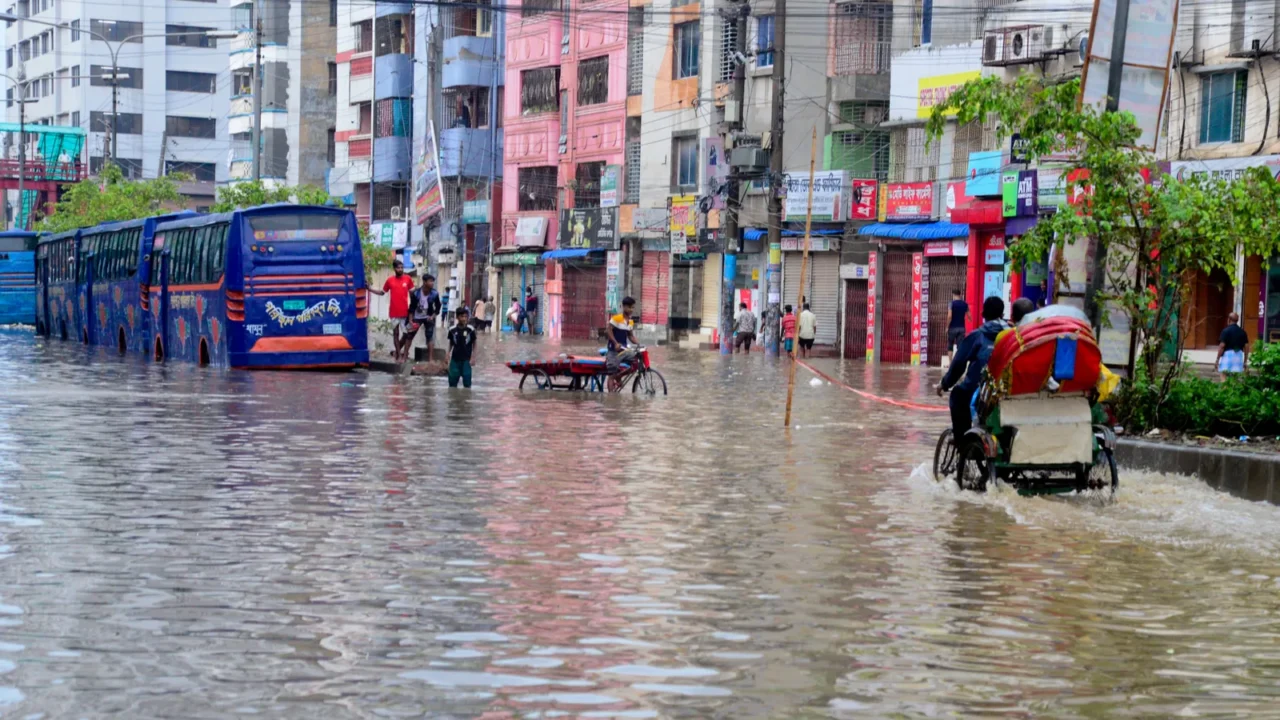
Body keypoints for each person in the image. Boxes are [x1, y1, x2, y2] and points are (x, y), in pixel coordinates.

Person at [937, 296, 1008, 441]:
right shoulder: (1013, 335)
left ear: (983, 315)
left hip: (981, 390)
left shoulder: (977, 336)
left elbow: (958, 364)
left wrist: (944, 384)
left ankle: (962, 441)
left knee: (957, 395)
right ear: (1002, 314)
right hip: (1008, 389)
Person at [368, 260, 414, 362]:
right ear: (394, 269)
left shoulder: (408, 279)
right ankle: (398, 355)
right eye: (398, 268)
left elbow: (412, 294)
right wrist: (370, 289)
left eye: (402, 267)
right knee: (396, 333)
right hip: (393, 312)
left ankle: (401, 353)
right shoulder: (390, 281)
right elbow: (382, 292)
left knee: (407, 334)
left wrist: (413, 309)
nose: (400, 269)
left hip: (405, 312)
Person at [404, 274, 441, 362]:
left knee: (429, 337)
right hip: (416, 317)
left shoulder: (435, 294)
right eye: (430, 281)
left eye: (433, 281)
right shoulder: (416, 293)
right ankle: (404, 356)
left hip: (428, 317)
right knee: (409, 336)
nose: (432, 283)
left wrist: (432, 316)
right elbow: (411, 308)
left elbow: (438, 307)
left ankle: (430, 359)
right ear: (424, 282)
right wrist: (410, 321)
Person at [607, 297, 639, 391]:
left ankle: (619, 375)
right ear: (624, 307)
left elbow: (630, 336)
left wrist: (639, 344)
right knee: (611, 375)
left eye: (633, 308)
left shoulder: (630, 322)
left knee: (636, 363)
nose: (631, 310)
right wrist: (615, 343)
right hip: (613, 351)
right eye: (629, 307)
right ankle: (611, 399)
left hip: (624, 351)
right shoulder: (616, 318)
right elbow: (608, 330)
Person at [447, 307, 477, 388]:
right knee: (452, 384)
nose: (464, 318)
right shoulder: (452, 330)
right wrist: (447, 354)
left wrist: (473, 357)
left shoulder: (470, 330)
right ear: (457, 317)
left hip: (466, 360)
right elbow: (451, 343)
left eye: (465, 316)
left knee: (467, 384)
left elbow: (474, 343)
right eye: (462, 316)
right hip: (455, 359)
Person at [1217, 312, 1249, 378]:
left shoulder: (1225, 331)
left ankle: (1225, 388)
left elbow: (1222, 346)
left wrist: (1217, 359)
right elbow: (1246, 347)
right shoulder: (1242, 332)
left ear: (1229, 319)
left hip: (1227, 355)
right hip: (1239, 355)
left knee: (1223, 375)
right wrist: (1245, 361)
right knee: (1235, 378)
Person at [947, 289, 971, 358]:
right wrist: (968, 319)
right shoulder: (965, 304)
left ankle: (950, 363)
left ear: (953, 295)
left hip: (952, 328)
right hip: (961, 328)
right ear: (960, 295)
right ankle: (958, 361)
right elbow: (969, 316)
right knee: (960, 346)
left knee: (950, 345)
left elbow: (949, 316)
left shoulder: (951, 303)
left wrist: (947, 327)